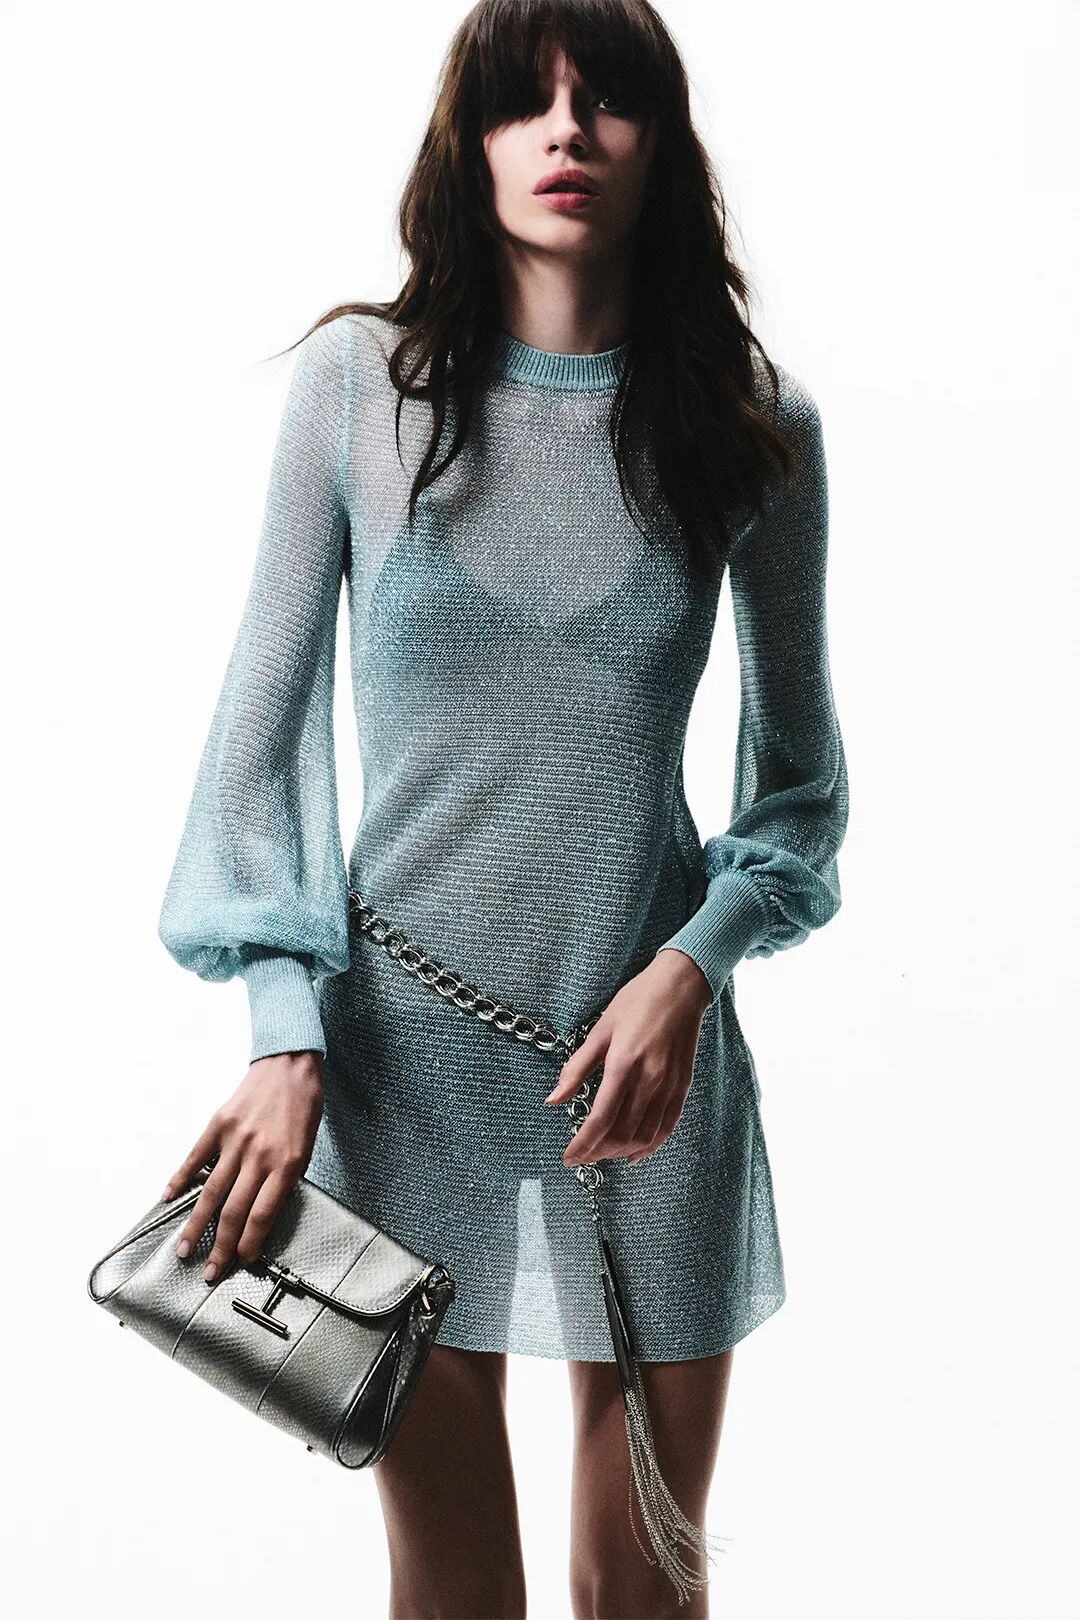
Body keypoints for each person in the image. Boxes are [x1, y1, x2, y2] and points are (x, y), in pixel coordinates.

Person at [156, 2, 848, 1615]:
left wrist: (690, 970)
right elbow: (257, 743)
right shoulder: (359, 389)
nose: (565, 129)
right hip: (398, 1066)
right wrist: (283, 1034)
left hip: (647, 1077)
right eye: (521, 101)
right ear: (465, 145)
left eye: (607, 99)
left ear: (663, 144)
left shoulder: (754, 424)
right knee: (456, 1590)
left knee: (641, 1590)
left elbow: (801, 793)